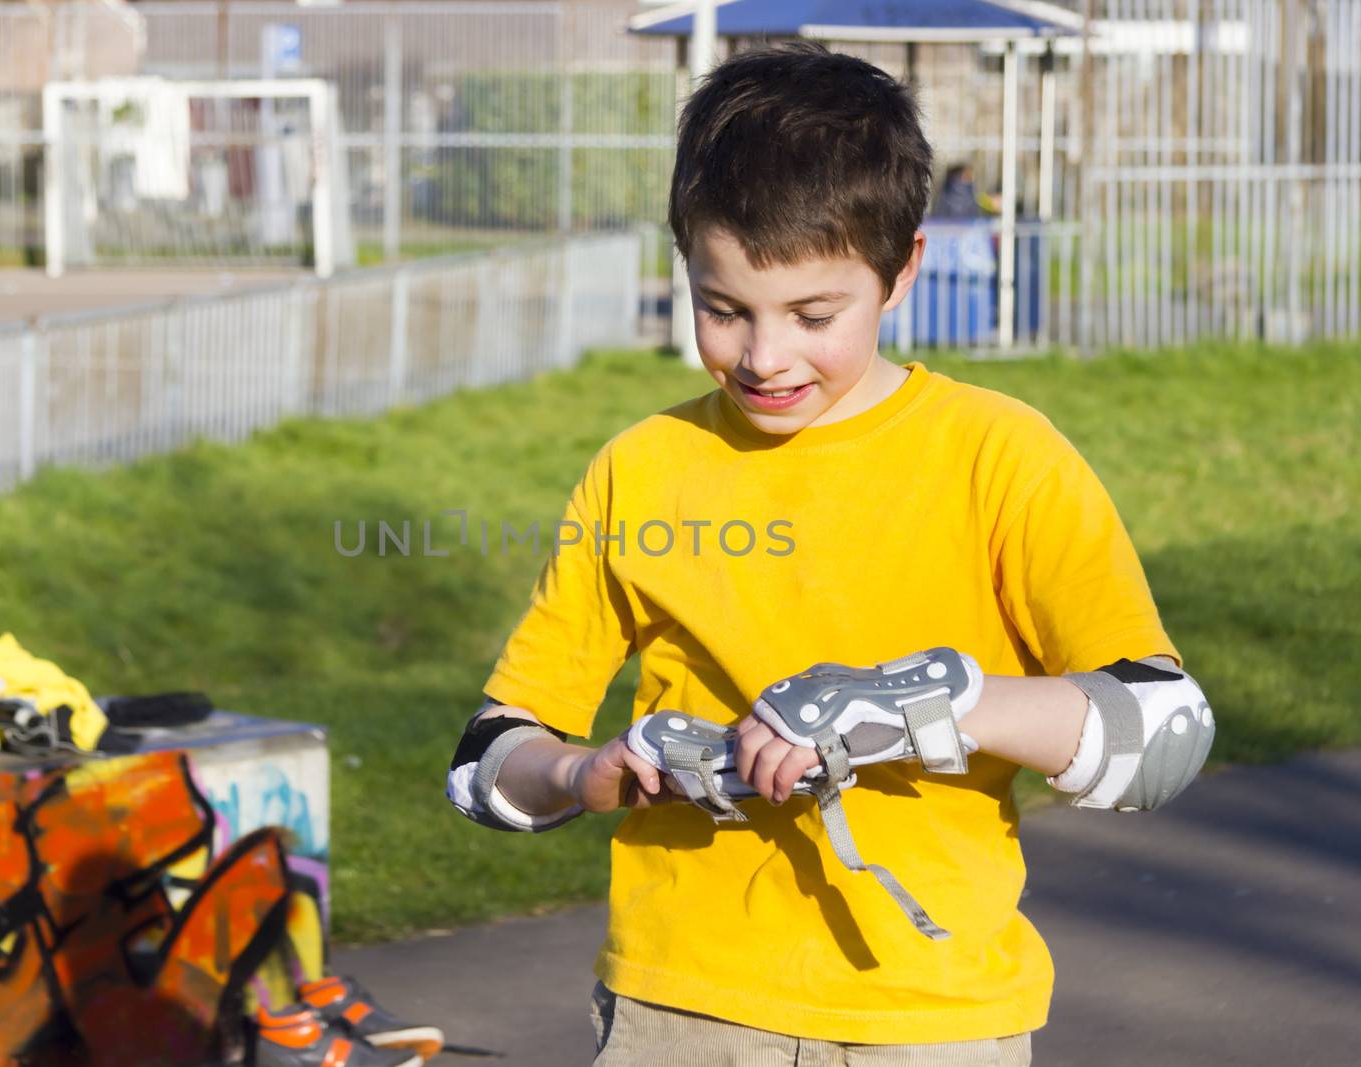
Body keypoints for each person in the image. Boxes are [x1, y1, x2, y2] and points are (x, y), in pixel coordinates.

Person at [445, 42, 1213, 1066]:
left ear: (902, 273)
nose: (763, 358)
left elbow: (1162, 732)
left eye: (814, 315)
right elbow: (484, 761)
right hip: (679, 1012)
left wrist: (911, 704)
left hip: (931, 1019)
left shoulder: (1000, 455)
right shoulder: (644, 468)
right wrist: (588, 771)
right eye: (722, 310)